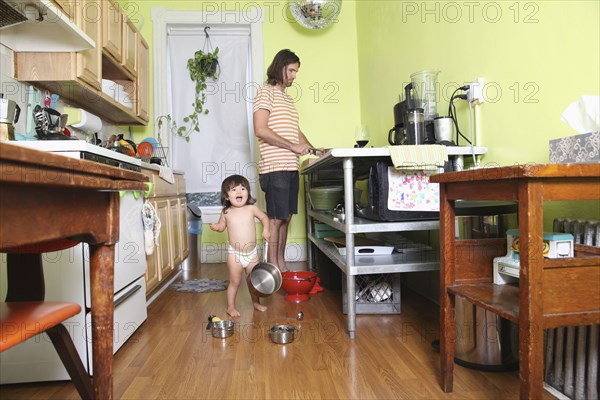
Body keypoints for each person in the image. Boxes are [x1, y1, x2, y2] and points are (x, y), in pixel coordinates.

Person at [253, 49, 322, 272]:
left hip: (291, 167)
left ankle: (280, 265)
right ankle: (273, 267)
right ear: (280, 66)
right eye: (291, 70)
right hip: (274, 167)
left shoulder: (288, 100)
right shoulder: (265, 92)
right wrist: (292, 146)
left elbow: (295, 131)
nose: (294, 75)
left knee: (286, 218)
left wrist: (312, 149)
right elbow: (260, 129)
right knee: (275, 219)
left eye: (296, 71)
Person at [209, 174, 270, 317]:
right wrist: (216, 226)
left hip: (252, 253)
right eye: (234, 190)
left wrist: (266, 229)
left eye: (243, 189)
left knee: (253, 281)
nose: (239, 192)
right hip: (235, 254)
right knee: (235, 281)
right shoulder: (226, 212)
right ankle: (230, 307)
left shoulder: (251, 208)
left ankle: (256, 303)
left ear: (248, 192)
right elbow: (222, 226)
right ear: (226, 196)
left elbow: (264, 218)